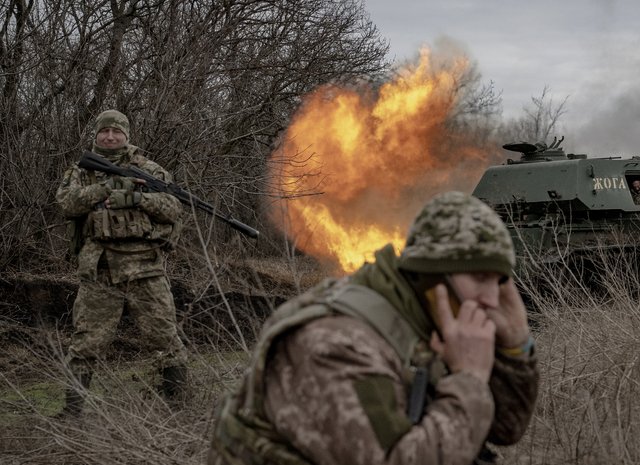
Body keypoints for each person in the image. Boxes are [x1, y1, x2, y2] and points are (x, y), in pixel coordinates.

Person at [209, 191, 539, 465]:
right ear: (434, 275)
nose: (492, 298)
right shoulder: (336, 342)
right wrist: (468, 380)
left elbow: (504, 428)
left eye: (499, 281)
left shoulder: (431, 318)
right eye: (479, 278)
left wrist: (515, 345)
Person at [56, 109, 188, 415]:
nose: (111, 136)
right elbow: (66, 203)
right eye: (105, 131)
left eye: (117, 132)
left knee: (165, 336)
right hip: (100, 268)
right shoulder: (80, 171)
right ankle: (71, 413)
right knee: (86, 342)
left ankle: (180, 407)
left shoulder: (148, 168)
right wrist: (105, 189)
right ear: (97, 135)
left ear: (127, 136)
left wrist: (137, 199)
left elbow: (173, 208)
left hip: (146, 267)